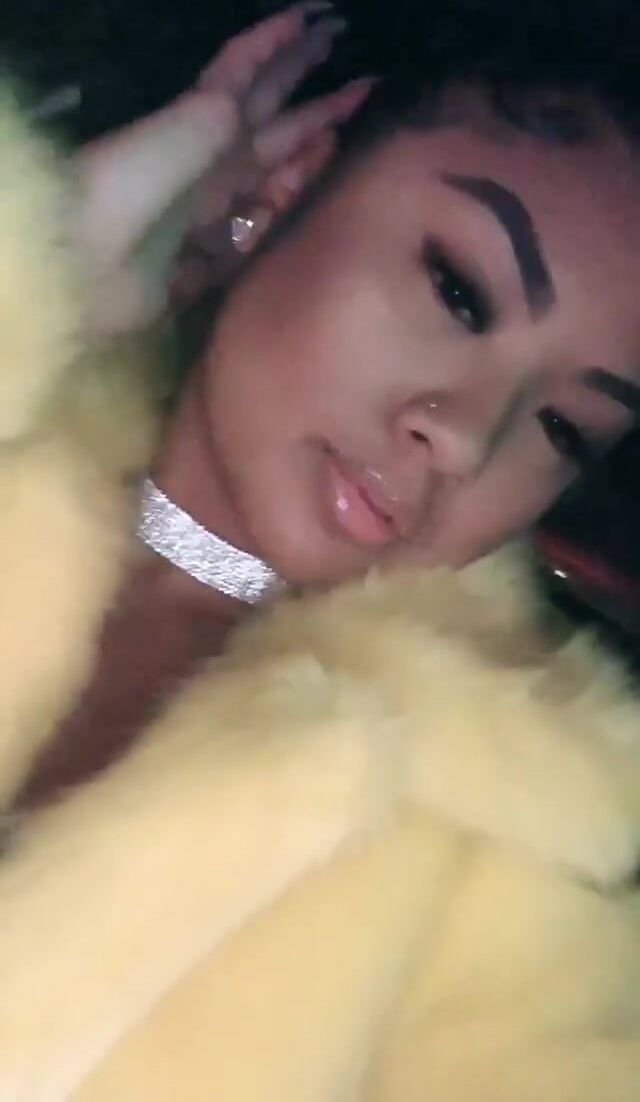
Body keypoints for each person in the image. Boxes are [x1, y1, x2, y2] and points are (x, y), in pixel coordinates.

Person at [2, 5, 640, 1098]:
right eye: (459, 291)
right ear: (294, 178)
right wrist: (62, 249)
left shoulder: (503, 855)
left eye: (562, 428)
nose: (466, 438)